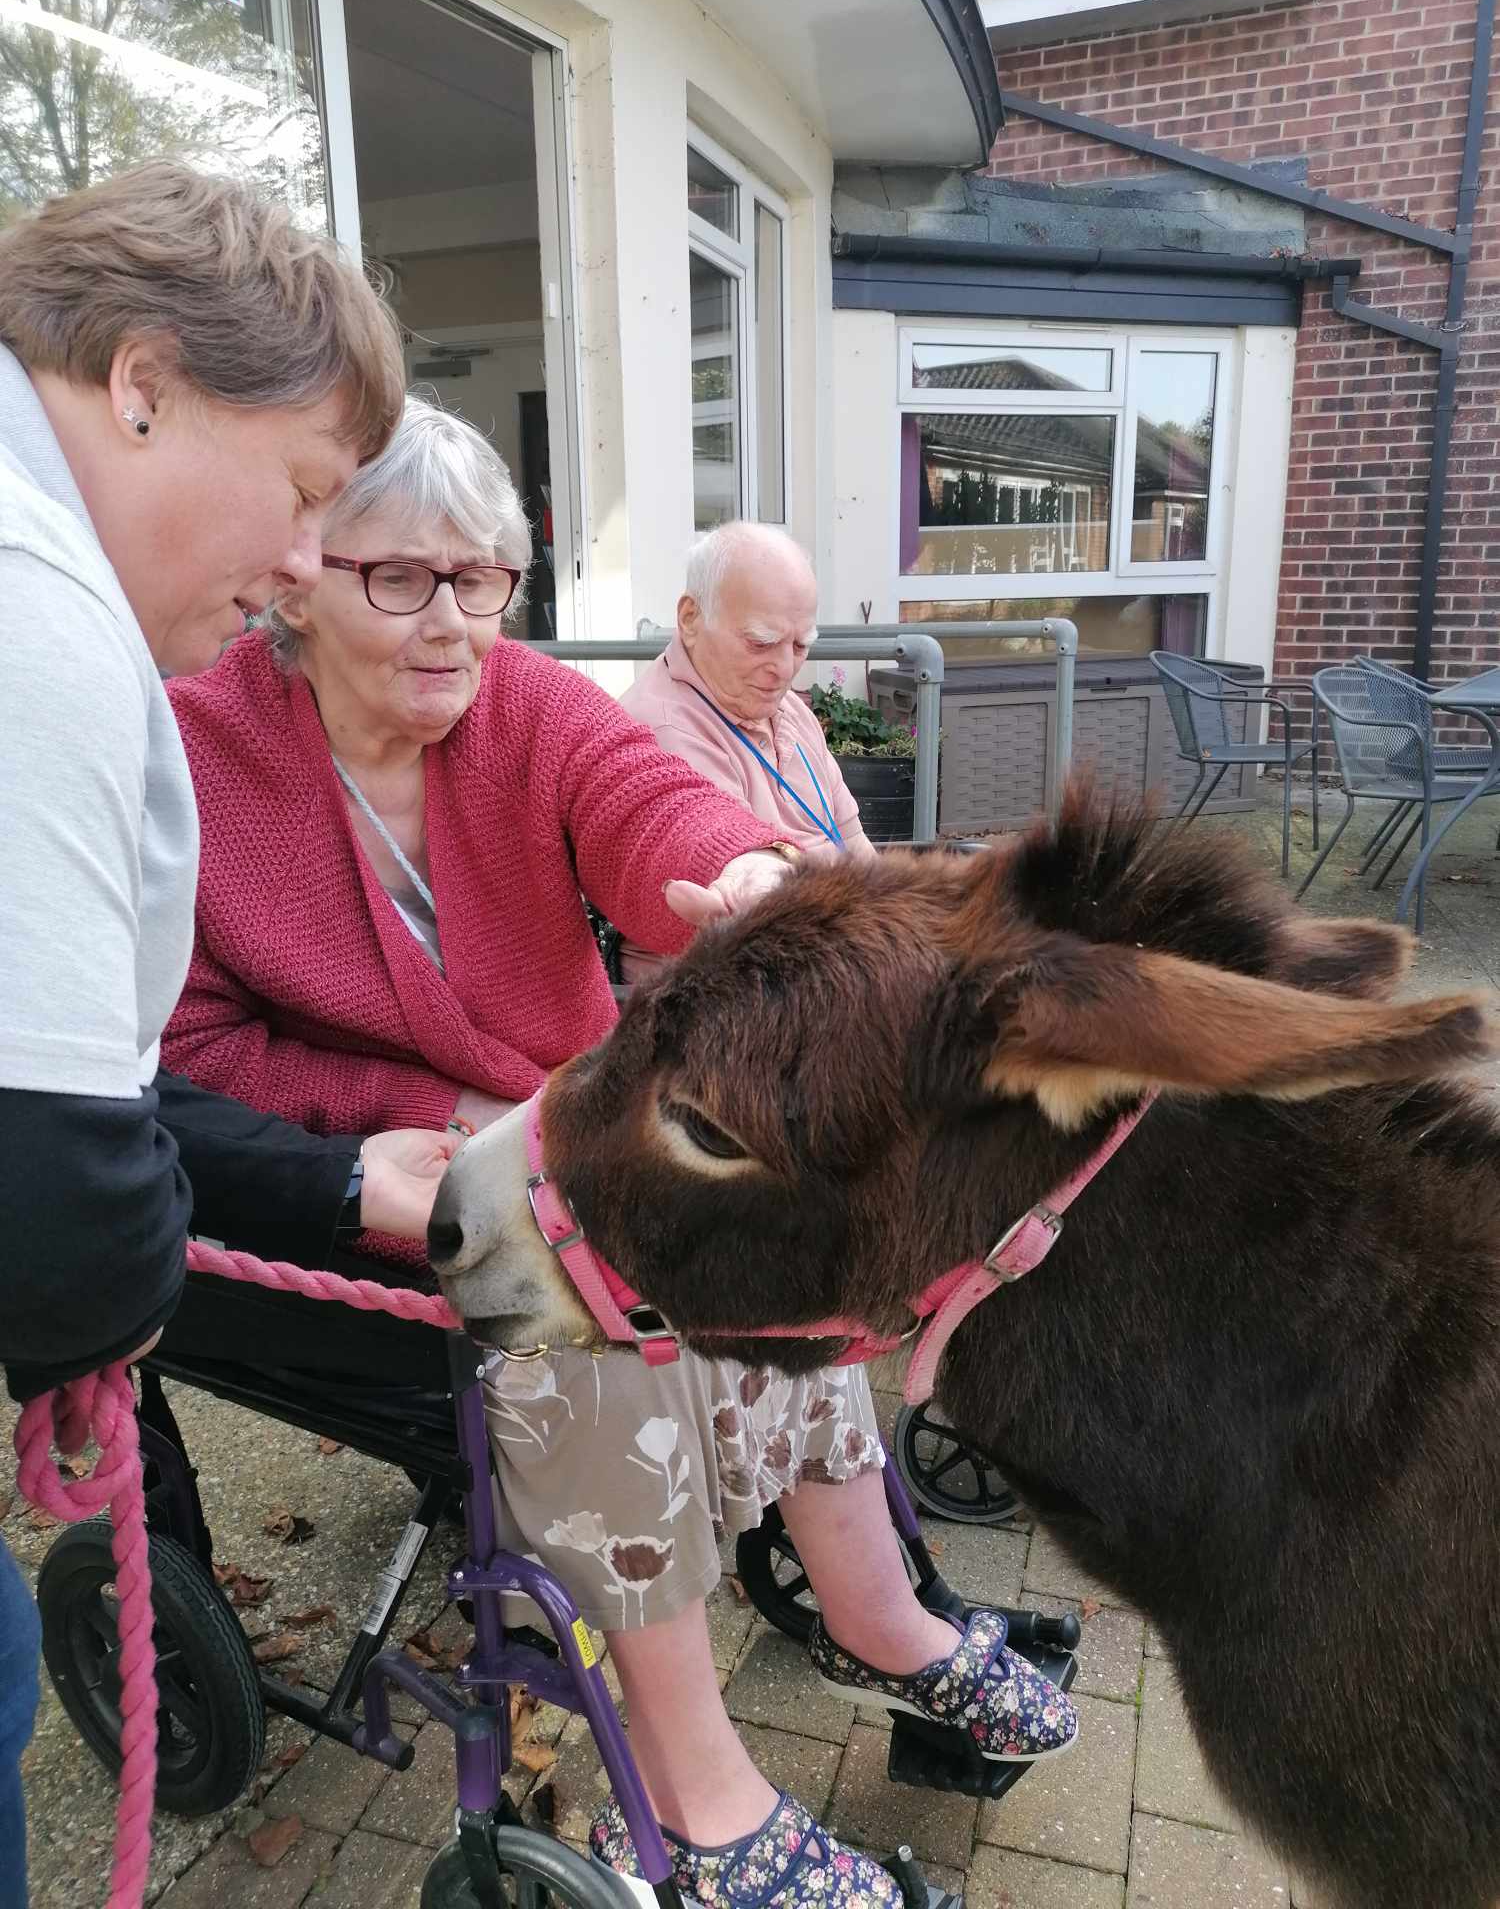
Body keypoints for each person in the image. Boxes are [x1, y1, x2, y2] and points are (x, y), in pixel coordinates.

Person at [162, 396, 1078, 1908]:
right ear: (298, 576)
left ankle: (876, 1609)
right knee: (596, 1323)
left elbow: (645, 800)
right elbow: (191, 1050)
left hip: (555, 1140)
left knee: (758, 1239)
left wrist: (744, 871)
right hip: (361, 1186)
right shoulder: (201, 756)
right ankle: (693, 1798)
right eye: (405, 578)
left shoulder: (524, 707)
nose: (454, 621)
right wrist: (426, 1118)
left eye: (484, 577)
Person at [0, 162, 458, 1909]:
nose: (299, 561)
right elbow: (57, 1188)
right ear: (138, 382)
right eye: (305, 490)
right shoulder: (38, 607)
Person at [617, 521, 874, 984]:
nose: (783, 669)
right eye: (760, 643)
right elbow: (752, 920)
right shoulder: (663, 731)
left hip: (823, 957)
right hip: (738, 990)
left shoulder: (785, 708)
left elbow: (855, 844)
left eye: (800, 646)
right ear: (691, 619)